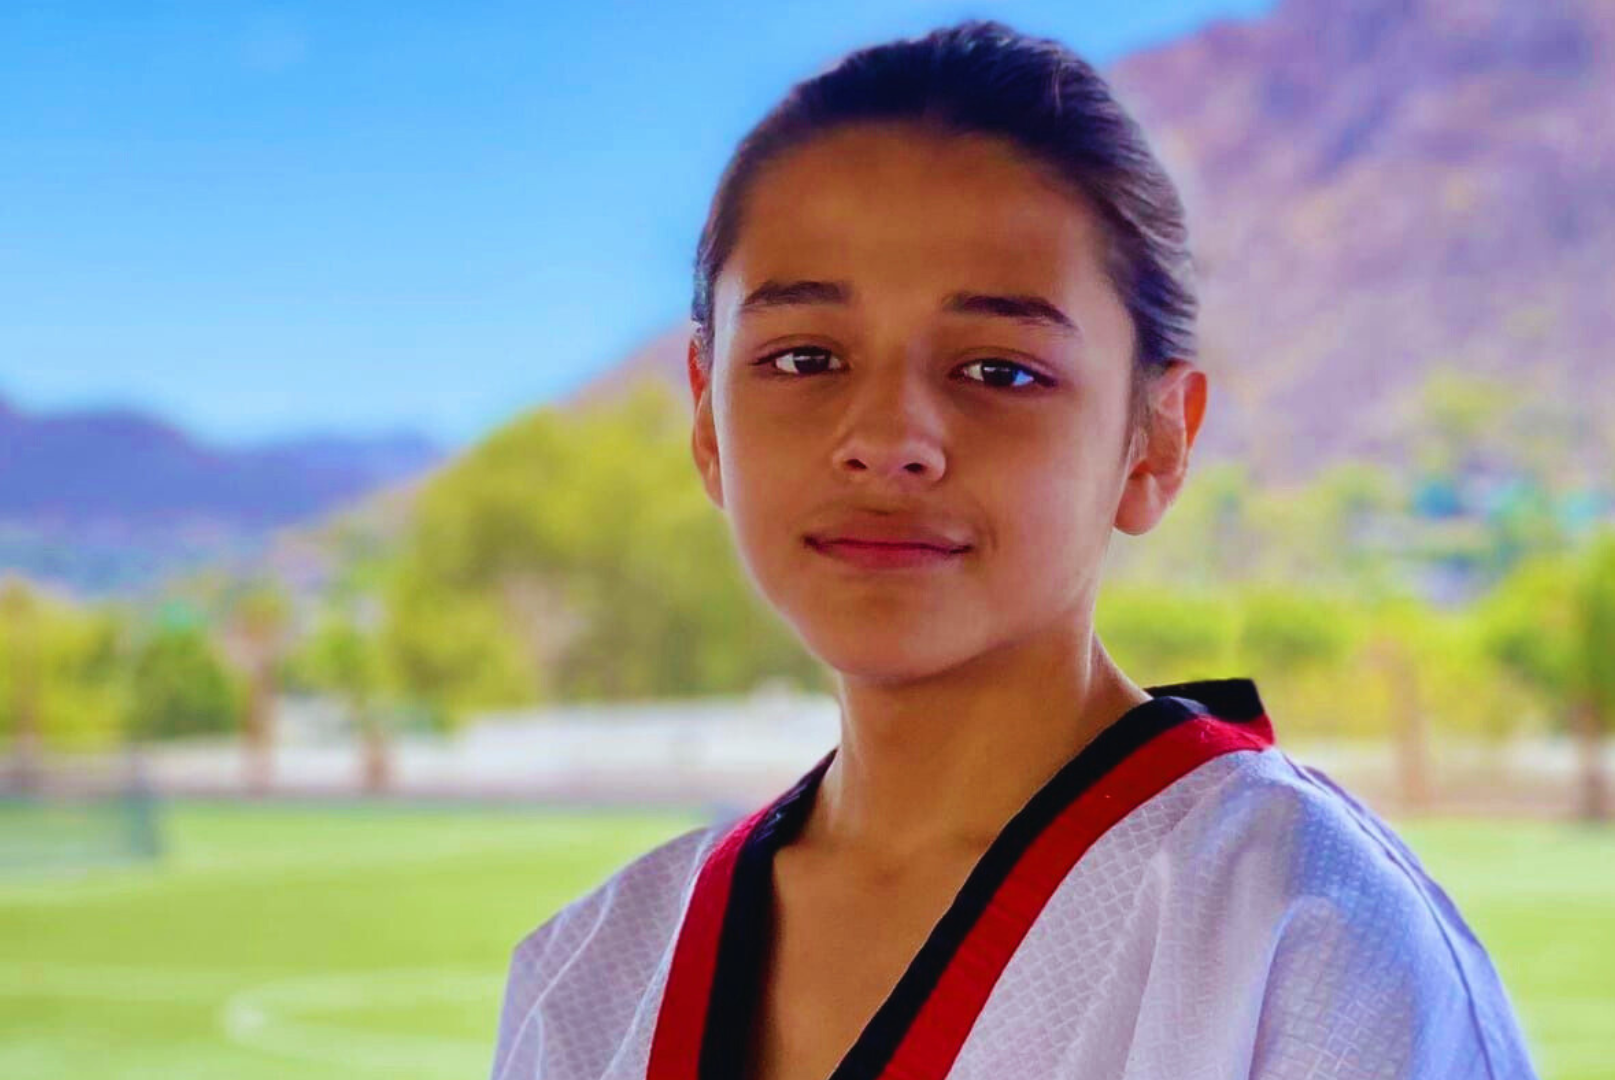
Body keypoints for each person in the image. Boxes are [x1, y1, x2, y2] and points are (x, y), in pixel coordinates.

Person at [490, 19, 1539, 1080]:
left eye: (1000, 371)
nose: (887, 442)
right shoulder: (594, 976)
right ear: (708, 419)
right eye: (805, 357)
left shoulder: (1298, 931)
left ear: (1156, 440)